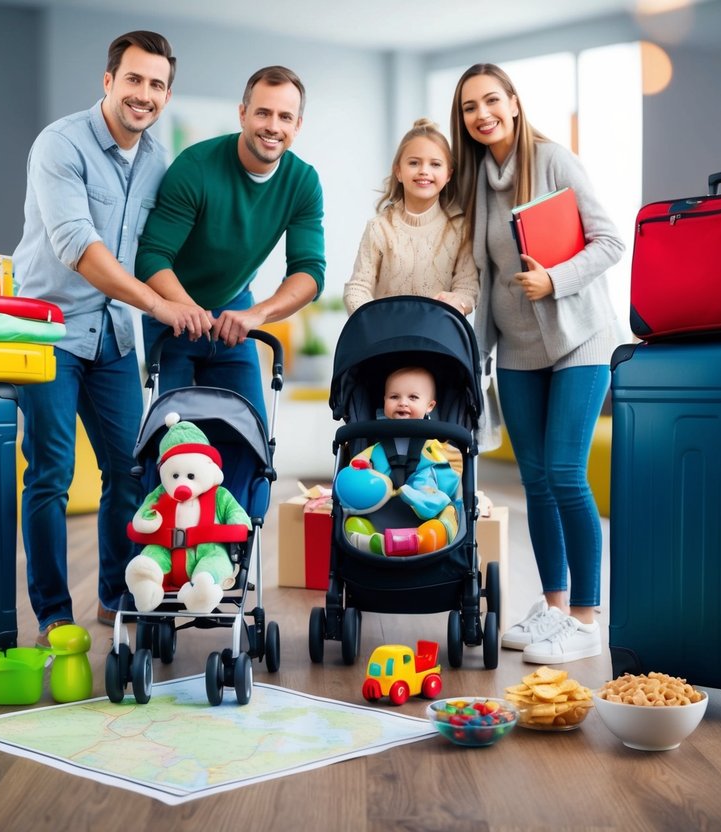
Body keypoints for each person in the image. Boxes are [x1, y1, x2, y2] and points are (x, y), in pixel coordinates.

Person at [13, 31, 213, 647]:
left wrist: (188, 304)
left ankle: (117, 596)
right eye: (134, 80)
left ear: (167, 93)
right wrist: (156, 305)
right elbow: (80, 248)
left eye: (156, 85)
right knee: (51, 471)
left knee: (131, 468)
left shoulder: (158, 161)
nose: (144, 94)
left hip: (114, 340)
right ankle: (52, 614)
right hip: (49, 329)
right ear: (109, 81)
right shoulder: (60, 144)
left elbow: (153, 251)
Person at [450, 63, 625, 664]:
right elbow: (480, 271)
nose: (482, 114)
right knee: (535, 483)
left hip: (581, 339)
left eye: (492, 100)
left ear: (515, 103)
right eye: (470, 106)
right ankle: (553, 609)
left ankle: (586, 617)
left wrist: (554, 279)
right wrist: (473, 360)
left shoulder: (554, 160)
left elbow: (610, 241)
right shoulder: (476, 178)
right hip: (520, 350)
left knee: (564, 472)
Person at [135, 65, 326, 424]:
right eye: (263, 112)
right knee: (168, 440)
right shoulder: (195, 167)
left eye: (285, 116)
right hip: (173, 313)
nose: (273, 126)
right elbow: (152, 257)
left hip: (236, 312)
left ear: (297, 126)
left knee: (250, 436)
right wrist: (188, 310)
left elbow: (310, 273)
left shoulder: (303, 182)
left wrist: (258, 314)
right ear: (243, 114)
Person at [343, 118, 478, 316]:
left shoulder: (460, 229)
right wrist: (374, 319)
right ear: (398, 171)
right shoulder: (379, 228)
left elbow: (468, 288)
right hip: (387, 339)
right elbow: (357, 287)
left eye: (435, 164)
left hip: (440, 339)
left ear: (448, 174)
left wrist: (457, 301)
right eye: (414, 163)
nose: (424, 171)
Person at [334, 367, 461, 556]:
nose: (403, 403)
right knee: (352, 523)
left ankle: (425, 539)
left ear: (430, 406)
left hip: (425, 516)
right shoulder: (374, 449)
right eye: (394, 397)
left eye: (413, 397)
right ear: (384, 401)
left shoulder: (435, 447)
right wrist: (364, 471)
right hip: (379, 515)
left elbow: (449, 481)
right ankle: (374, 542)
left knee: (446, 517)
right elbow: (356, 471)